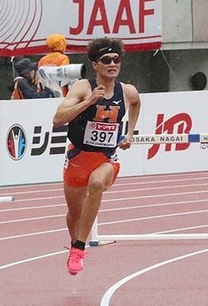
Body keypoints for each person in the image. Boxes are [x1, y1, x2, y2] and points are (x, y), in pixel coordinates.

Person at [52, 37, 140, 275]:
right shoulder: (83, 87)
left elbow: (135, 103)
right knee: (74, 214)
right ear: (95, 64)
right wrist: (89, 101)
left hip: (106, 159)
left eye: (116, 59)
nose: (113, 64)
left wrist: (129, 133)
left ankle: (80, 247)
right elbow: (58, 119)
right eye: (106, 60)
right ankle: (75, 244)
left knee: (97, 183)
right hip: (78, 157)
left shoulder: (127, 91)